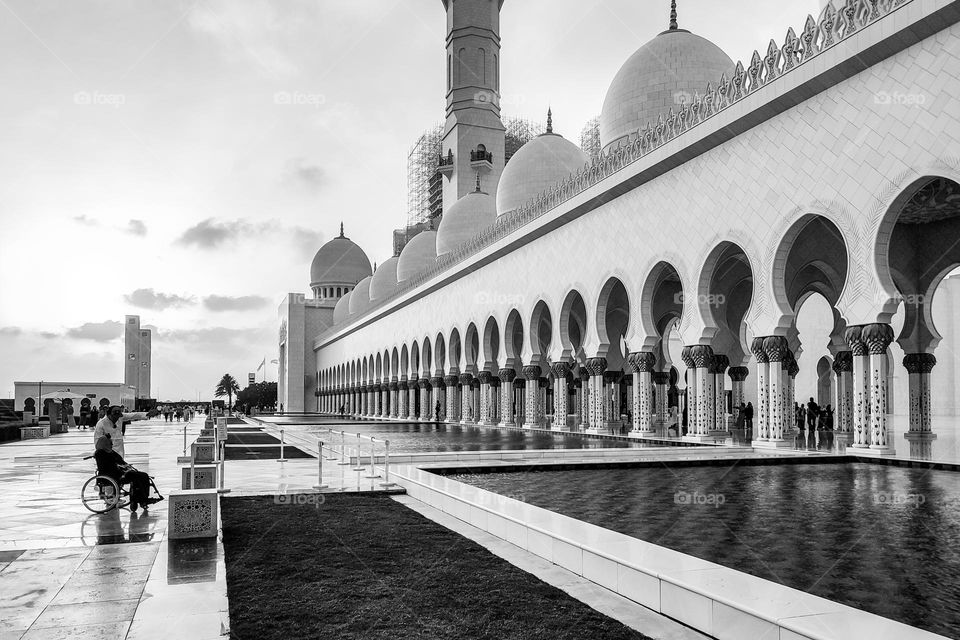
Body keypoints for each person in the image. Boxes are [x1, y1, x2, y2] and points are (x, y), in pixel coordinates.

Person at [93, 436, 161, 513]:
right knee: (137, 477)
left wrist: (125, 466)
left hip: (120, 472)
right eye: (110, 443)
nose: (112, 444)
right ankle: (139, 500)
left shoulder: (110, 452)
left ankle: (143, 499)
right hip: (115, 475)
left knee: (144, 476)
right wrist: (122, 468)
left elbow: (120, 461)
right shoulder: (101, 453)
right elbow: (108, 467)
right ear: (105, 444)